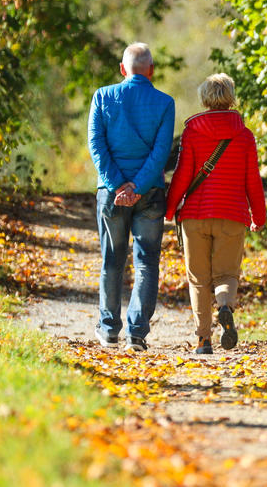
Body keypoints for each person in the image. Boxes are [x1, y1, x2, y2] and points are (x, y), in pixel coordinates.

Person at [165, 73, 266, 355]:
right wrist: (259, 215)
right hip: (232, 214)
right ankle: (224, 307)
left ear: (205, 98)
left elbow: (183, 174)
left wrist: (170, 208)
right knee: (226, 275)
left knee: (199, 279)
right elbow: (252, 181)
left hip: (195, 216)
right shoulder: (245, 136)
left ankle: (203, 341)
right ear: (231, 97)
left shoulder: (192, 132)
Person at [87, 43, 175, 351]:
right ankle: (137, 333)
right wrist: (136, 186)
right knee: (147, 262)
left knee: (112, 259)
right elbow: (161, 152)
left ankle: (109, 328)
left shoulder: (102, 96)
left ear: (123, 70)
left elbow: (96, 145)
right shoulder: (165, 103)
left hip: (111, 195)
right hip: (150, 193)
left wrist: (116, 185)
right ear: (151, 70)